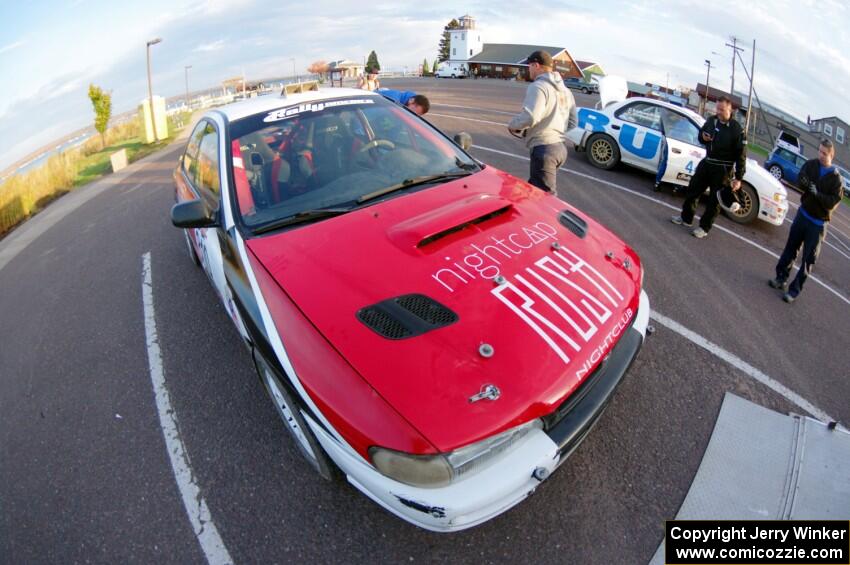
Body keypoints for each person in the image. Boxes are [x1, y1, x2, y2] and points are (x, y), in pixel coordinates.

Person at [768, 140, 844, 303]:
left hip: (817, 225)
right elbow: (801, 177)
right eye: (820, 151)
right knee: (790, 248)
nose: (821, 155)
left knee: (808, 260)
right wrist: (806, 183)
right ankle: (780, 278)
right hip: (802, 215)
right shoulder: (811, 165)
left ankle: (793, 291)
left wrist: (817, 194)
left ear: (832, 155)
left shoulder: (836, 180)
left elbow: (832, 202)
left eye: (824, 153)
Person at [670, 95, 746, 238]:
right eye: (717, 108)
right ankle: (686, 218)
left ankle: (704, 228)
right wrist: (702, 137)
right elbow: (700, 135)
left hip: (723, 169)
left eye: (721, 109)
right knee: (693, 189)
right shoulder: (712, 121)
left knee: (714, 201)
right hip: (707, 162)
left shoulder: (737, 130)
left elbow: (741, 155)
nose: (718, 111)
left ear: (730, 109)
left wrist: (738, 177)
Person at [507, 50, 577, 192]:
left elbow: (531, 117)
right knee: (533, 189)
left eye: (530, 66)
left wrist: (513, 125)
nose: (529, 70)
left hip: (545, 150)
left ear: (536, 65)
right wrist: (556, 133)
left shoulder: (538, 87)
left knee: (544, 197)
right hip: (560, 149)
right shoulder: (566, 91)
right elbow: (573, 122)